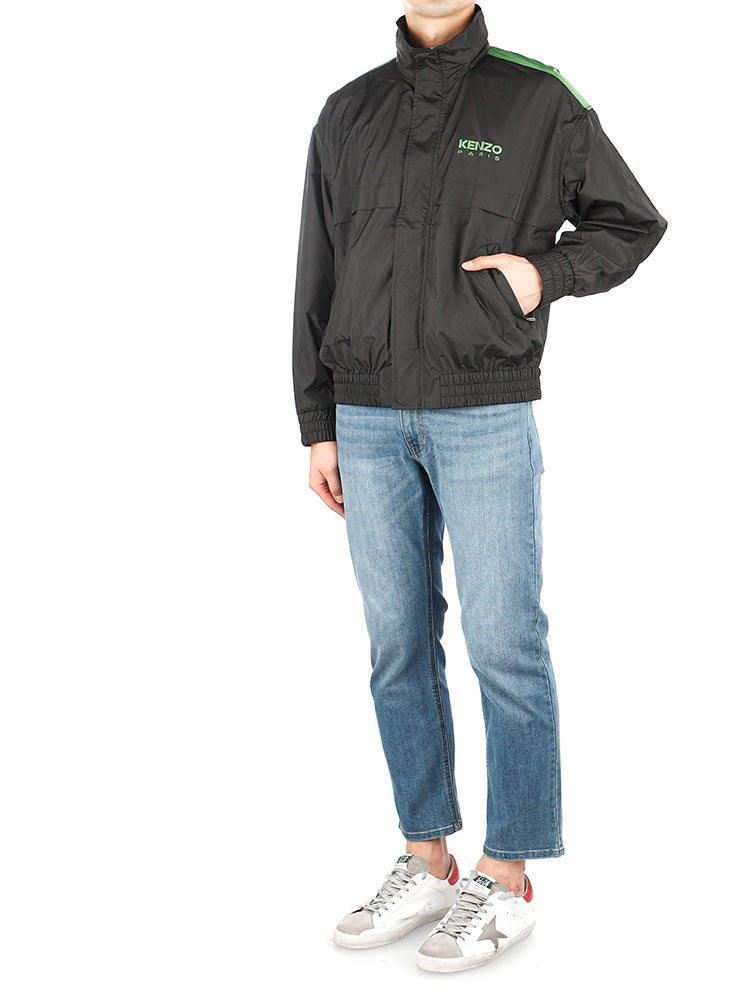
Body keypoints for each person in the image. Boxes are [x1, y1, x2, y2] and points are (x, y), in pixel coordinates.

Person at [291, 1, 667, 974]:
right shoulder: (348, 109)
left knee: (505, 642)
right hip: (366, 418)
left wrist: (547, 274)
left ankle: (508, 872)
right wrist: (318, 420)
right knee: (395, 644)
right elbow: (317, 270)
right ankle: (427, 855)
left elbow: (633, 223)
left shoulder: (536, 97)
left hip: (484, 411)